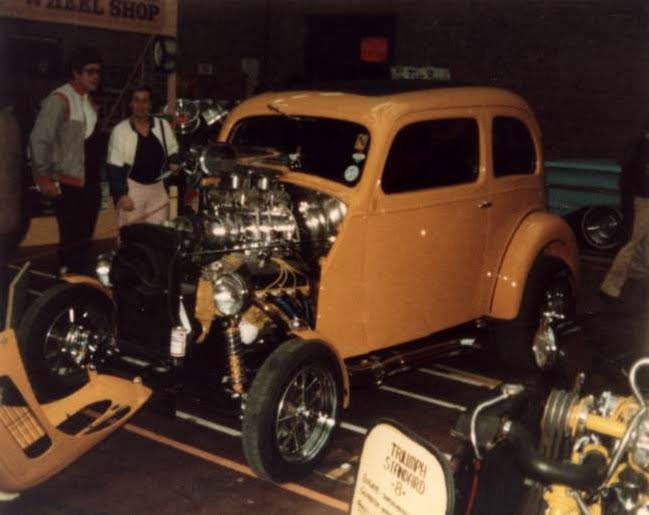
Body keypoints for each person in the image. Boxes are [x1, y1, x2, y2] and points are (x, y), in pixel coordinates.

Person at [29, 46, 103, 274]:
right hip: (69, 185)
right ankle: (66, 284)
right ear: (75, 72)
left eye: (98, 72)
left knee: (84, 242)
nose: (95, 77)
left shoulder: (89, 102)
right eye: (89, 71)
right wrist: (43, 177)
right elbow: (39, 139)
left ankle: (79, 283)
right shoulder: (59, 99)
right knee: (71, 243)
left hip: (89, 183)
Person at [106, 84, 179, 227]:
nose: (140, 105)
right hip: (133, 190)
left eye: (145, 101)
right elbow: (114, 166)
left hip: (158, 189)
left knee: (157, 235)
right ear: (130, 104)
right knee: (132, 235)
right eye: (136, 100)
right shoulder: (120, 130)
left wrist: (174, 162)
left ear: (150, 104)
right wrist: (121, 195)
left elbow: (173, 149)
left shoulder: (162, 125)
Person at [600, 122, 649, 301]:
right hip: (642, 200)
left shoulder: (637, 146)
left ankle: (637, 273)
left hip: (639, 199)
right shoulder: (642, 149)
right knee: (632, 242)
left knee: (642, 241)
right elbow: (637, 178)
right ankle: (610, 287)